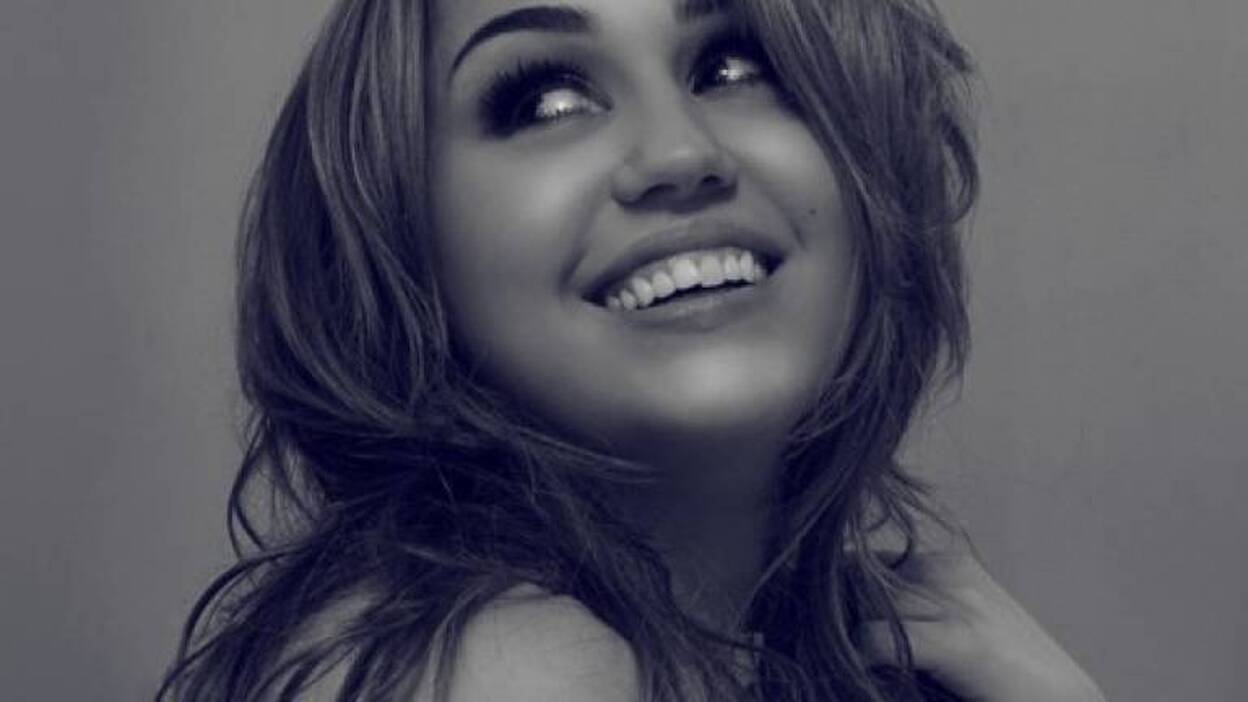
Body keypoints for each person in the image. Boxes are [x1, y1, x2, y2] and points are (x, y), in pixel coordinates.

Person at [159, 0, 1106, 700]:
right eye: (548, 100)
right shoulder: (511, 671)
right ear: (401, 239)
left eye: (732, 67)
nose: (679, 155)